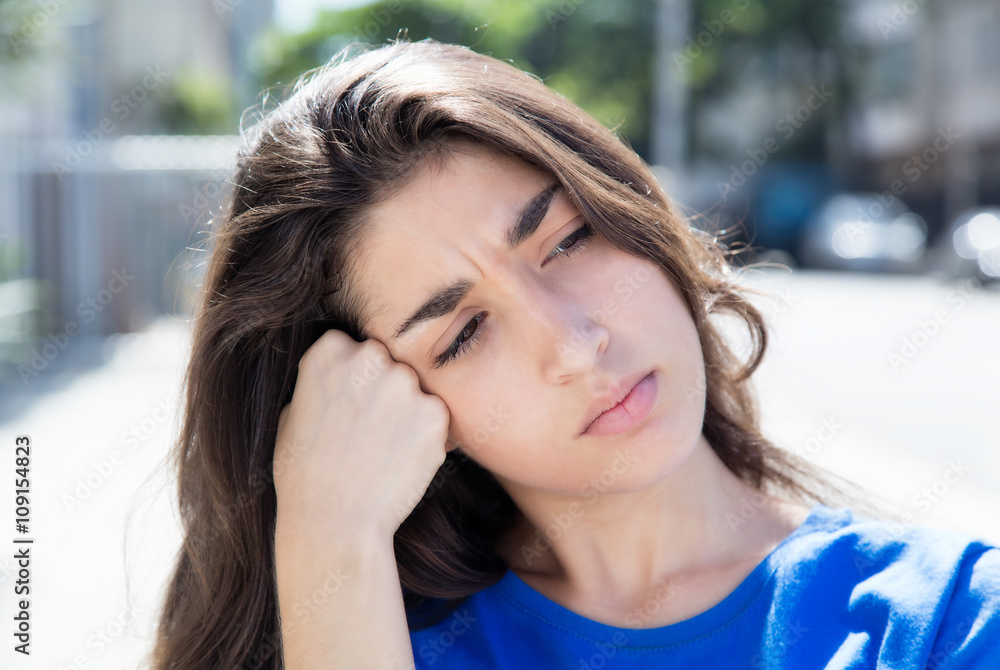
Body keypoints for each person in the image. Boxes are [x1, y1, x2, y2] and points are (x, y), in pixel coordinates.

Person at [151, 39, 1000, 669]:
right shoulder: (363, 639)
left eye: (568, 241)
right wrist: (327, 539)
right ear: (378, 404)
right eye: (464, 332)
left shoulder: (944, 623)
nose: (573, 343)